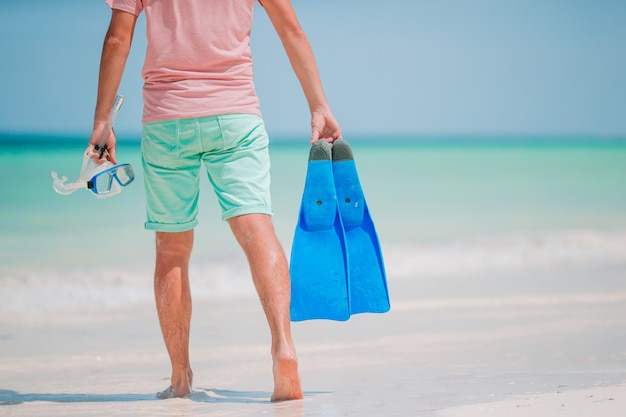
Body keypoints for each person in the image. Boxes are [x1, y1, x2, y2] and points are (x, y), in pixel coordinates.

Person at [89, 0, 342, 402]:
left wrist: (103, 120)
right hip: (236, 115)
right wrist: (319, 105)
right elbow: (290, 29)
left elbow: (117, 38)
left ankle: (179, 378)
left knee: (171, 246)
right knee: (257, 228)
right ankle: (283, 346)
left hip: (167, 118)